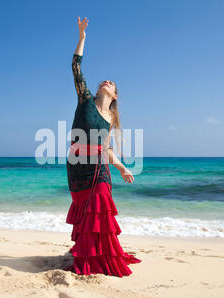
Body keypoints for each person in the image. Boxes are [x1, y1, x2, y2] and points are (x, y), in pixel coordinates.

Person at [64, 17, 141, 277]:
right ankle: (88, 253)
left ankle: (101, 258)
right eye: (104, 81)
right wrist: (82, 38)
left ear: (115, 95)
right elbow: (75, 67)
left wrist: (120, 167)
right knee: (86, 213)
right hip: (77, 167)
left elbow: (106, 150)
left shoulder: (110, 120)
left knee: (101, 204)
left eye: (111, 83)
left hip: (100, 169)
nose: (106, 82)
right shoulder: (85, 99)